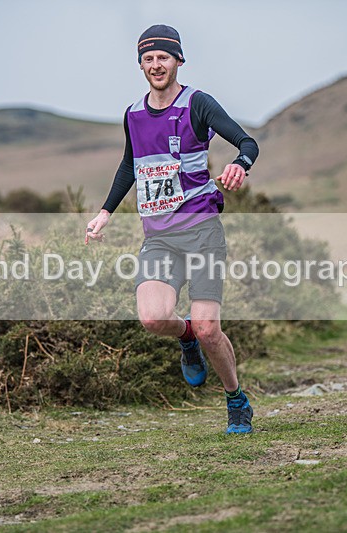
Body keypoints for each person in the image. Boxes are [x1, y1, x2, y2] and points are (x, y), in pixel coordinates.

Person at [85, 24, 259, 434]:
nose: (156, 64)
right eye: (148, 58)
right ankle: (185, 339)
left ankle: (236, 399)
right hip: (159, 237)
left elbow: (247, 142)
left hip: (202, 232)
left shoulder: (197, 103)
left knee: (209, 328)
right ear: (140, 65)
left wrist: (239, 164)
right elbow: (131, 165)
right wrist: (105, 212)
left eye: (163, 57)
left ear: (178, 60)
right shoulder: (133, 114)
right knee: (152, 317)